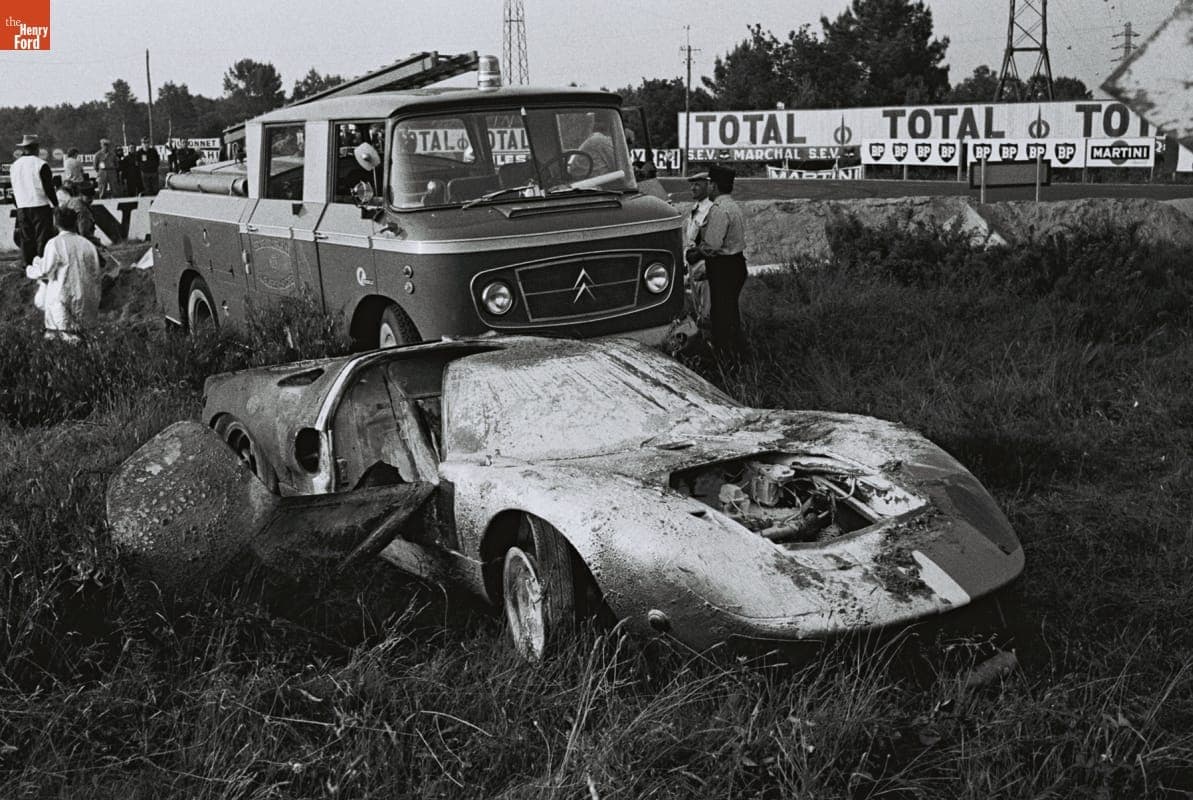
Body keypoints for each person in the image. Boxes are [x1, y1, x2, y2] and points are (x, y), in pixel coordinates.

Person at [24, 205, 102, 341]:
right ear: (75, 222)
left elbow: (45, 270)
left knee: (59, 338)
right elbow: (96, 273)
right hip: (88, 301)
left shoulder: (55, 243)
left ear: (55, 223)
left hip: (63, 301)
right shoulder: (88, 244)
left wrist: (30, 269)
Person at [697, 164, 748, 356]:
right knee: (730, 312)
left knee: (721, 316)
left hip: (724, 267)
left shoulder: (719, 209)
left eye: (709, 184)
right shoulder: (733, 206)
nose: (708, 188)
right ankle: (738, 352)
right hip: (736, 264)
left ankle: (725, 357)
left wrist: (696, 252)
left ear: (714, 186)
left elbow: (712, 245)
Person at [11, 134, 58, 267]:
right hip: (40, 205)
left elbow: (14, 188)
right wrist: (56, 204)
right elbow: (48, 188)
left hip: (22, 206)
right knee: (43, 238)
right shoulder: (41, 164)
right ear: (36, 148)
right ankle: (43, 265)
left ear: (24, 148)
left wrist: (18, 204)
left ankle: (28, 266)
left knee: (26, 239)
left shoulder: (14, 165)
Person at [683, 172, 714, 329]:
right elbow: (690, 240)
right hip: (693, 264)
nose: (692, 188)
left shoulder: (711, 209)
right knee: (698, 310)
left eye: (697, 185)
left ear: (708, 186)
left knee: (708, 312)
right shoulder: (696, 208)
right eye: (692, 184)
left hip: (705, 265)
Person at [577, 113, 616, 177]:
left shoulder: (594, 138)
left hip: (584, 180)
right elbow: (620, 166)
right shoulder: (601, 140)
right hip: (592, 183)